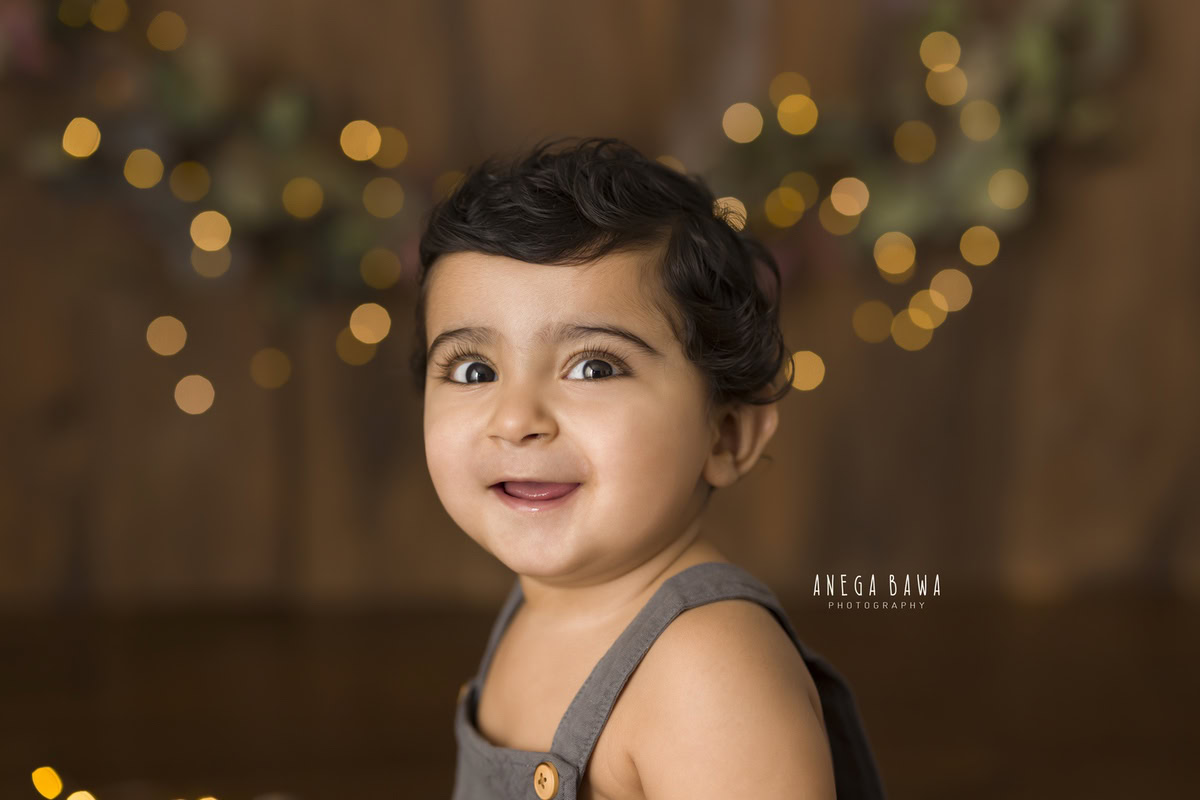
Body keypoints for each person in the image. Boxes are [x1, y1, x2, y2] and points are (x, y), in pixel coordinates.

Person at [411, 136, 886, 799]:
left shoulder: (709, 668)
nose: (515, 417)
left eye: (594, 366)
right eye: (474, 369)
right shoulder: (544, 601)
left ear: (726, 436)